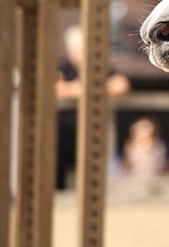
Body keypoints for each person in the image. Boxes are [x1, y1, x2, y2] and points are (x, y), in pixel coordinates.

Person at [56, 25, 130, 189]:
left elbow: (121, 85)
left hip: (92, 130)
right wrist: (81, 89)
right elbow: (56, 87)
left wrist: (88, 89)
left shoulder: (99, 66)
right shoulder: (63, 65)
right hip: (62, 129)